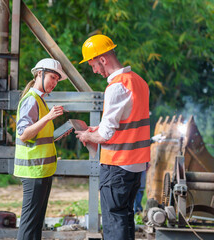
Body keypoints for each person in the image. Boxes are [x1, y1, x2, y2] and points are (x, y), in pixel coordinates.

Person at [75, 35, 150, 240]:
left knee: (113, 221)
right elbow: (127, 121)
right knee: (125, 218)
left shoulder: (116, 87)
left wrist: (87, 134)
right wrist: (97, 129)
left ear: (103, 59)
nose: (94, 70)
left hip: (117, 166)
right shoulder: (139, 82)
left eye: (93, 65)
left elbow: (107, 134)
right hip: (135, 166)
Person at [14, 58, 67, 240]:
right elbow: (24, 134)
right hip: (33, 171)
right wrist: (49, 117)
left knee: (36, 223)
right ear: (39, 74)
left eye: (56, 80)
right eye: (52, 77)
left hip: (41, 170)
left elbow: (38, 136)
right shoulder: (31, 100)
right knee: (29, 224)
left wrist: (57, 134)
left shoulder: (40, 100)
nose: (54, 83)